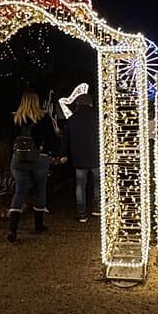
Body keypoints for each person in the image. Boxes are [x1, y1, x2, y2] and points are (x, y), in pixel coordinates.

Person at [7, 88, 60, 242]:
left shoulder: (15, 118)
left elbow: (10, 139)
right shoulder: (43, 118)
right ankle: (38, 224)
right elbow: (51, 139)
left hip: (19, 159)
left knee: (20, 191)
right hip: (40, 158)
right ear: (36, 102)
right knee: (40, 190)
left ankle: (12, 228)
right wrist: (54, 153)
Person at [59, 92, 100, 223]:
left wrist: (62, 154)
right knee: (98, 184)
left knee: (80, 185)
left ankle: (82, 213)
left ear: (77, 103)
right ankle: (97, 208)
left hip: (79, 157)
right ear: (90, 103)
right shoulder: (97, 118)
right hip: (96, 156)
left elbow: (65, 140)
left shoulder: (72, 119)